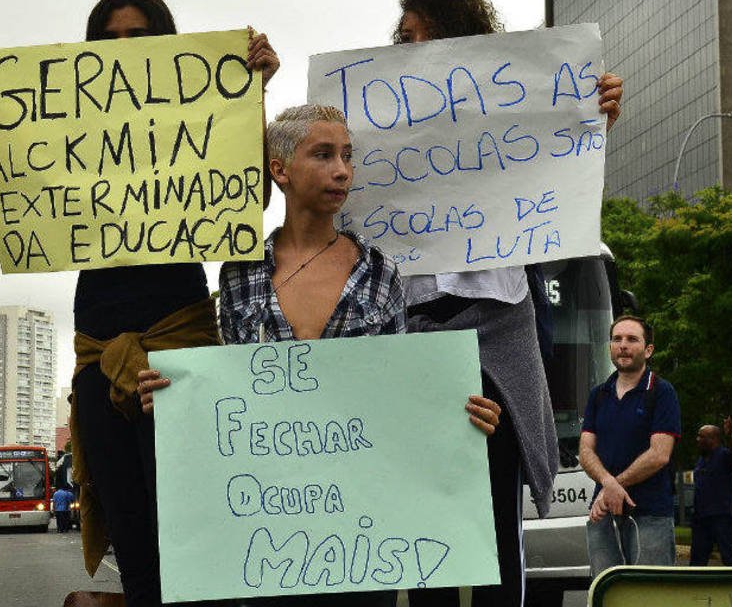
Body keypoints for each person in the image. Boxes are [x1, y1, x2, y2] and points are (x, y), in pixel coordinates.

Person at [0, 0, 278, 607]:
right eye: (111, 39)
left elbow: (249, 191)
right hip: (97, 355)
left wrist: (252, 90)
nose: (125, 49)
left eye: (140, 37)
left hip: (181, 347)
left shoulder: (193, 113)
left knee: (186, 523)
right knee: (130, 523)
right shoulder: (74, 121)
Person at [138, 104, 502, 606]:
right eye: (324, 155)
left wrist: (460, 417)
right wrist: (179, 403)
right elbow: (233, 396)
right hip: (269, 531)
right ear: (280, 169)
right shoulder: (241, 273)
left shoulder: (381, 275)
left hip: (362, 536)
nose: (342, 171)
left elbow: (404, 399)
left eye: (348, 157)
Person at [389, 0, 624, 606]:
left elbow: (560, 161)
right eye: (407, 37)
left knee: (497, 514)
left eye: (425, 33)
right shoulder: (383, 117)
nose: (414, 45)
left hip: (498, 323)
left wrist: (590, 110)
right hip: (415, 331)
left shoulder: (508, 98)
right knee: (426, 518)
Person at [579, 315, 680, 576]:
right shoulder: (598, 394)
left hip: (650, 514)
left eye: (632, 339)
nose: (623, 345)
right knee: (606, 593)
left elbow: (659, 454)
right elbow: (586, 450)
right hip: (602, 513)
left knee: (652, 595)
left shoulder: (662, 392)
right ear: (610, 347)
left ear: (648, 350)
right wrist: (607, 485)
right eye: (617, 339)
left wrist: (614, 485)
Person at [690, 419, 732, 566]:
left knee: (730, 557)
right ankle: (695, 587)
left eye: (702, 436)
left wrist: (730, 435)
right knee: (697, 561)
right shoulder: (701, 460)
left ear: (714, 439)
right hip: (701, 518)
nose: (698, 439)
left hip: (722, 517)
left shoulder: (724, 456)